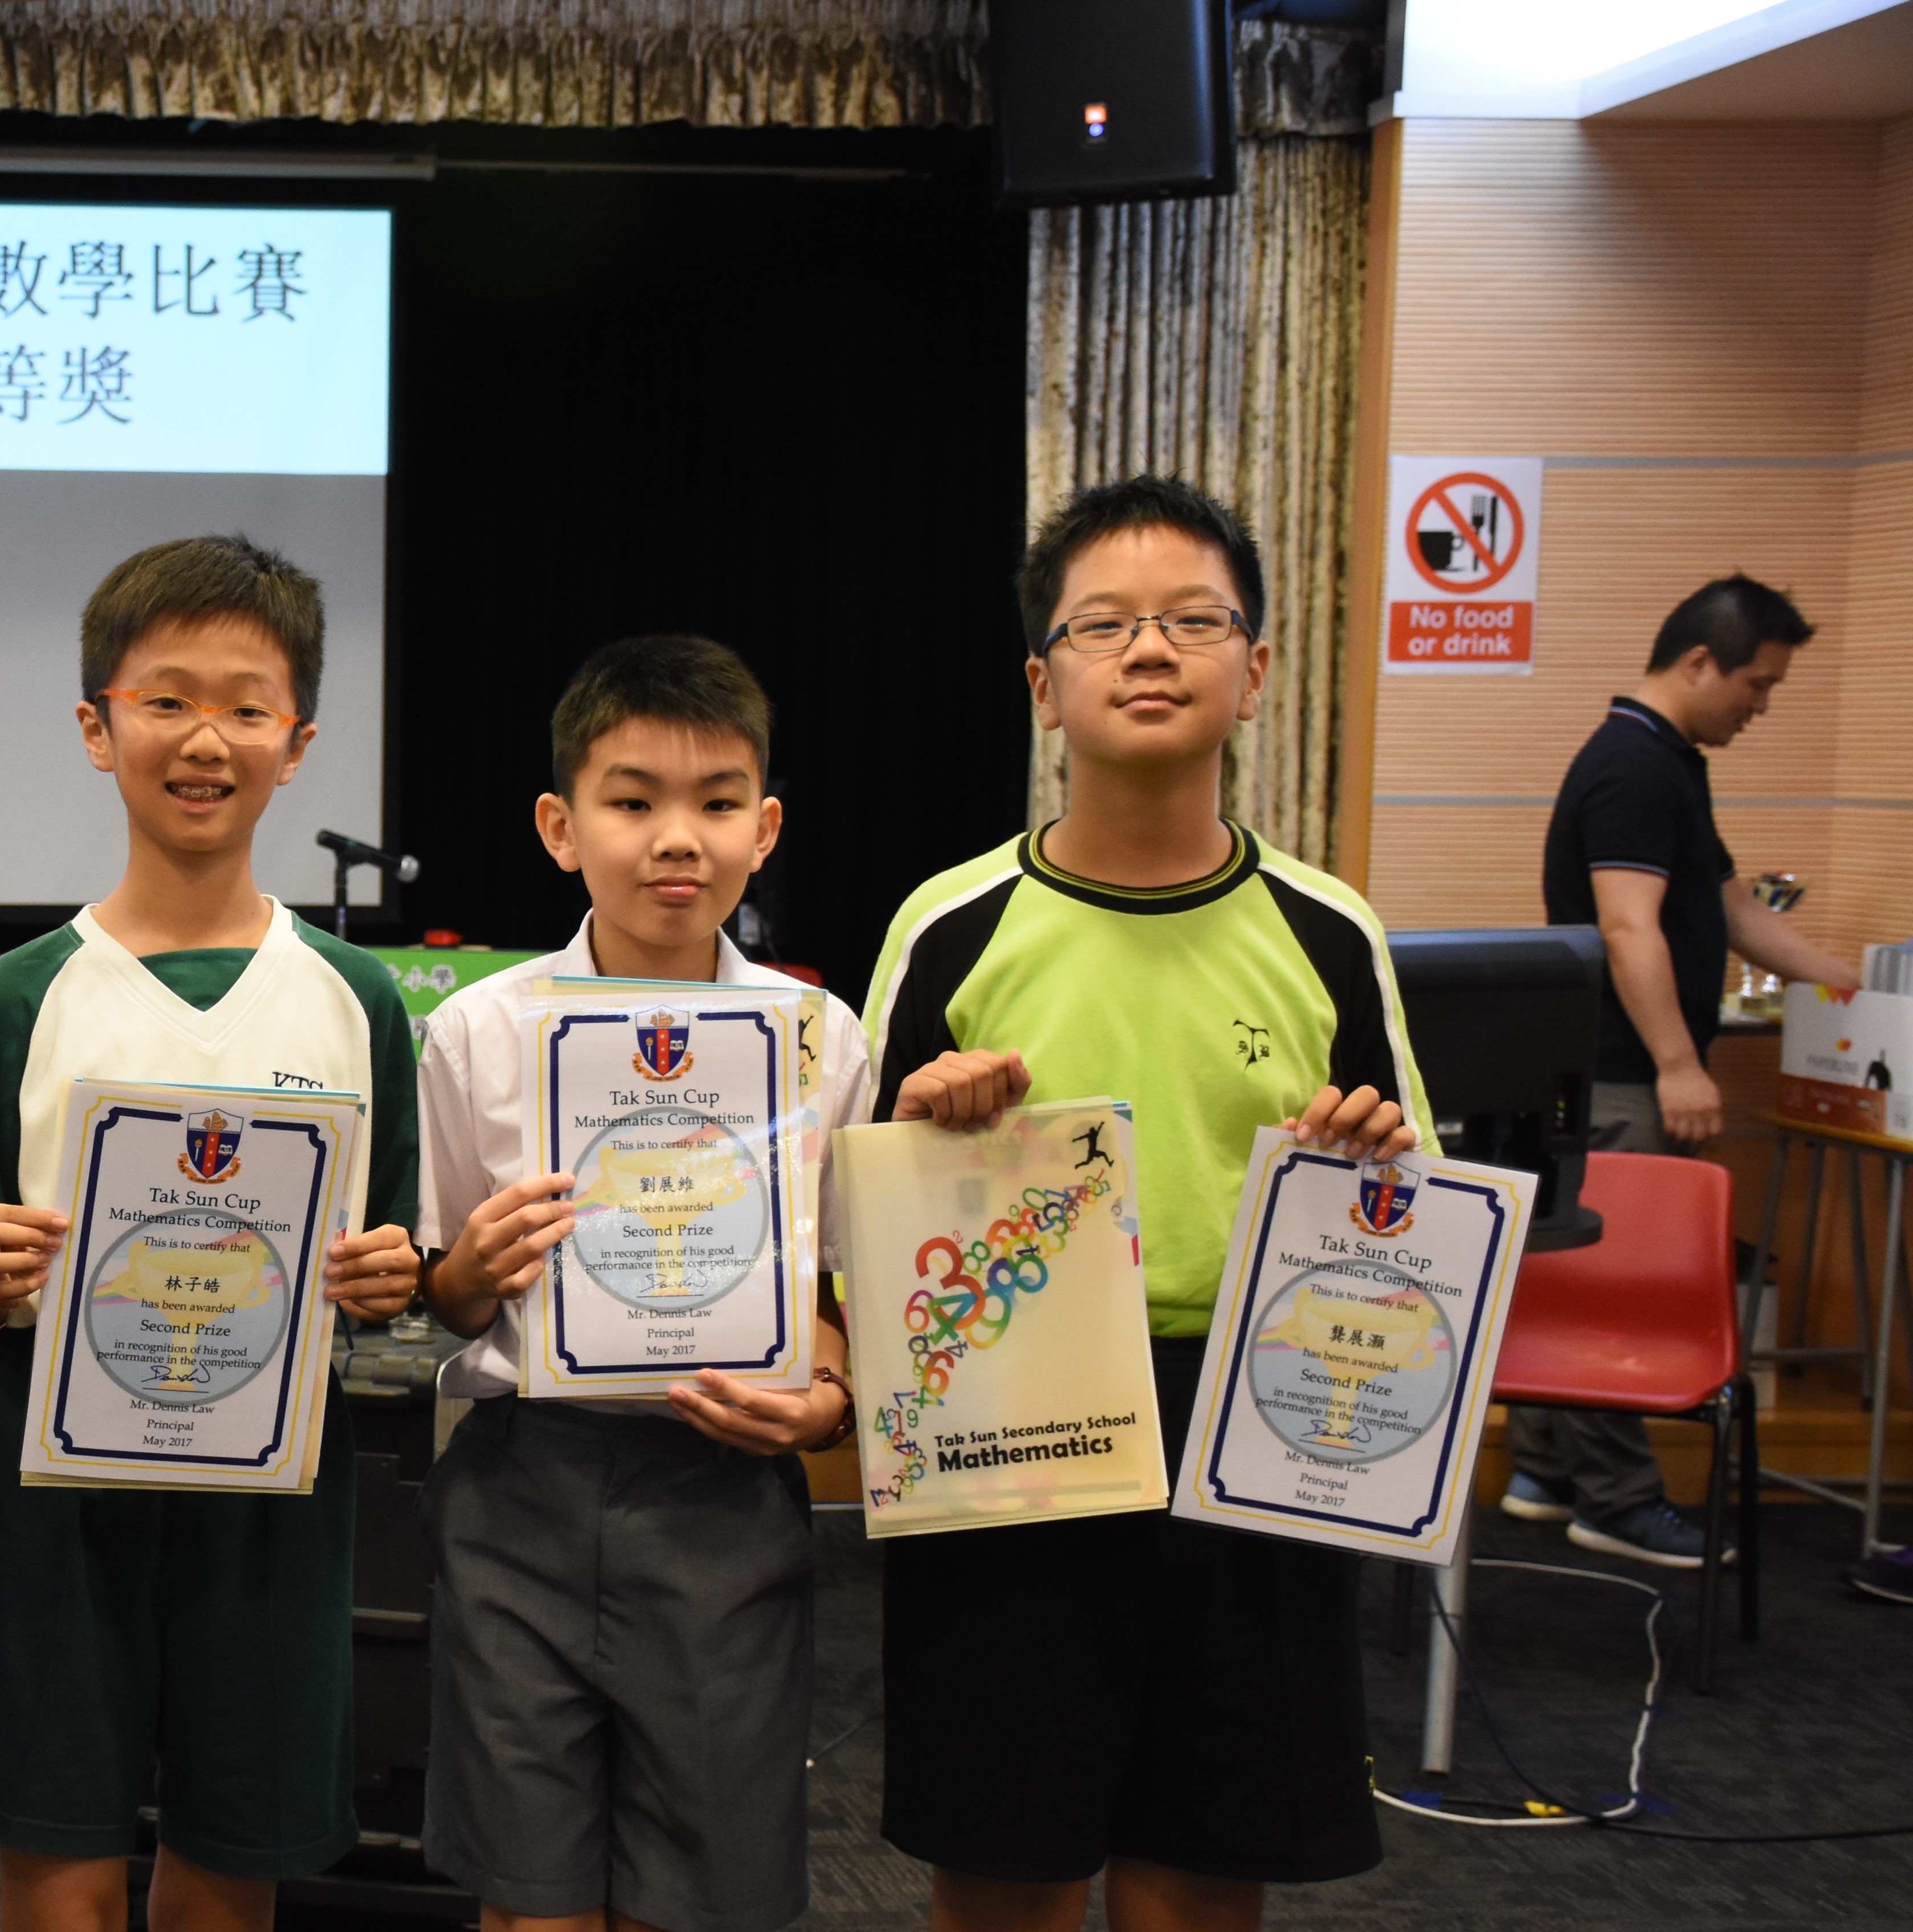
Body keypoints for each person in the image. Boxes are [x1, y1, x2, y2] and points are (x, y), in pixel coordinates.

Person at [862, 477, 1423, 1932]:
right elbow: (851, 1237)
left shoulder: (1330, 931)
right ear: (1044, 686)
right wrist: (929, 1141)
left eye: (1194, 620)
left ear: (1258, 670)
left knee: (1204, 1860)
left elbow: (1415, 1229)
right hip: (1008, 1423)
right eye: (1104, 624)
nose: (1153, 649)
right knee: (1010, 1858)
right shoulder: (950, 925)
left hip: (1253, 1436)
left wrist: (1371, 1164)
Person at [0, 535, 424, 1932]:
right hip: (54, 1499)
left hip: (272, 1504)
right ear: (99, 727)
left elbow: (389, 1261)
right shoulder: (23, 993)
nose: (206, 739)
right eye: (167, 700)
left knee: (230, 1867)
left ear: (297, 744)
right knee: (57, 1868)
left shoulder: (356, 997)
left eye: (248, 707)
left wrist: (389, 1276)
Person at [410, 635, 867, 1932]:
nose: (678, 838)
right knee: (532, 1897)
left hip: (724, 1496)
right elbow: (447, 1294)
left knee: (700, 1899)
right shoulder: (479, 1031)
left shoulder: (820, 1040)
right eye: (632, 800)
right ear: (561, 828)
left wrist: (827, 1401)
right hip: (523, 1488)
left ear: (763, 829)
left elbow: (835, 1297)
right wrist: (469, 1270)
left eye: (718, 802)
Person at [1513, 574, 1845, 1569]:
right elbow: (1628, 927)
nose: (1760, 707)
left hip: (1611, 1070)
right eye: (1757, 684)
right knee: (1606, 1291)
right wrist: (1678, 1065)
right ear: (1700, 663)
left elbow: (1735, 910)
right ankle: (1617, 1502)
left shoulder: (1669, 762)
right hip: (1619, 1072)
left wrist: (1853, 983)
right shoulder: (1633, 768)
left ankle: (1547, 1470)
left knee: (1573, 1274)